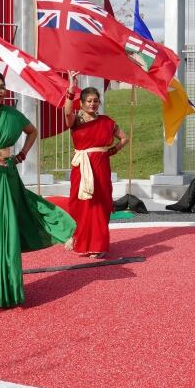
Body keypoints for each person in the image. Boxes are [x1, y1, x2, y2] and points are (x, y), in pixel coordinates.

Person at [0, 67, 76, 307]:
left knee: (6, 228)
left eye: (2, 87)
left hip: (6, 173)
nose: (0, 91)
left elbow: (32, 131)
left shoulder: (11, 114)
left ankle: (8, 287)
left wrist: (22, 155)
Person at [63, 71, 129, 258]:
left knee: (100, 204)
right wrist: (70, 87)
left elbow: (124, 138)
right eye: (89, 101)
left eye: (95, 100)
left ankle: (98, 245)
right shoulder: (76, 121)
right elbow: (67, 112)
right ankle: (81, 241)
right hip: (81, 168)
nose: (93, 104)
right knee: (80, 204)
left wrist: (112, 151)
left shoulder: (107, 122)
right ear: (82, 103)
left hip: (101, 166)